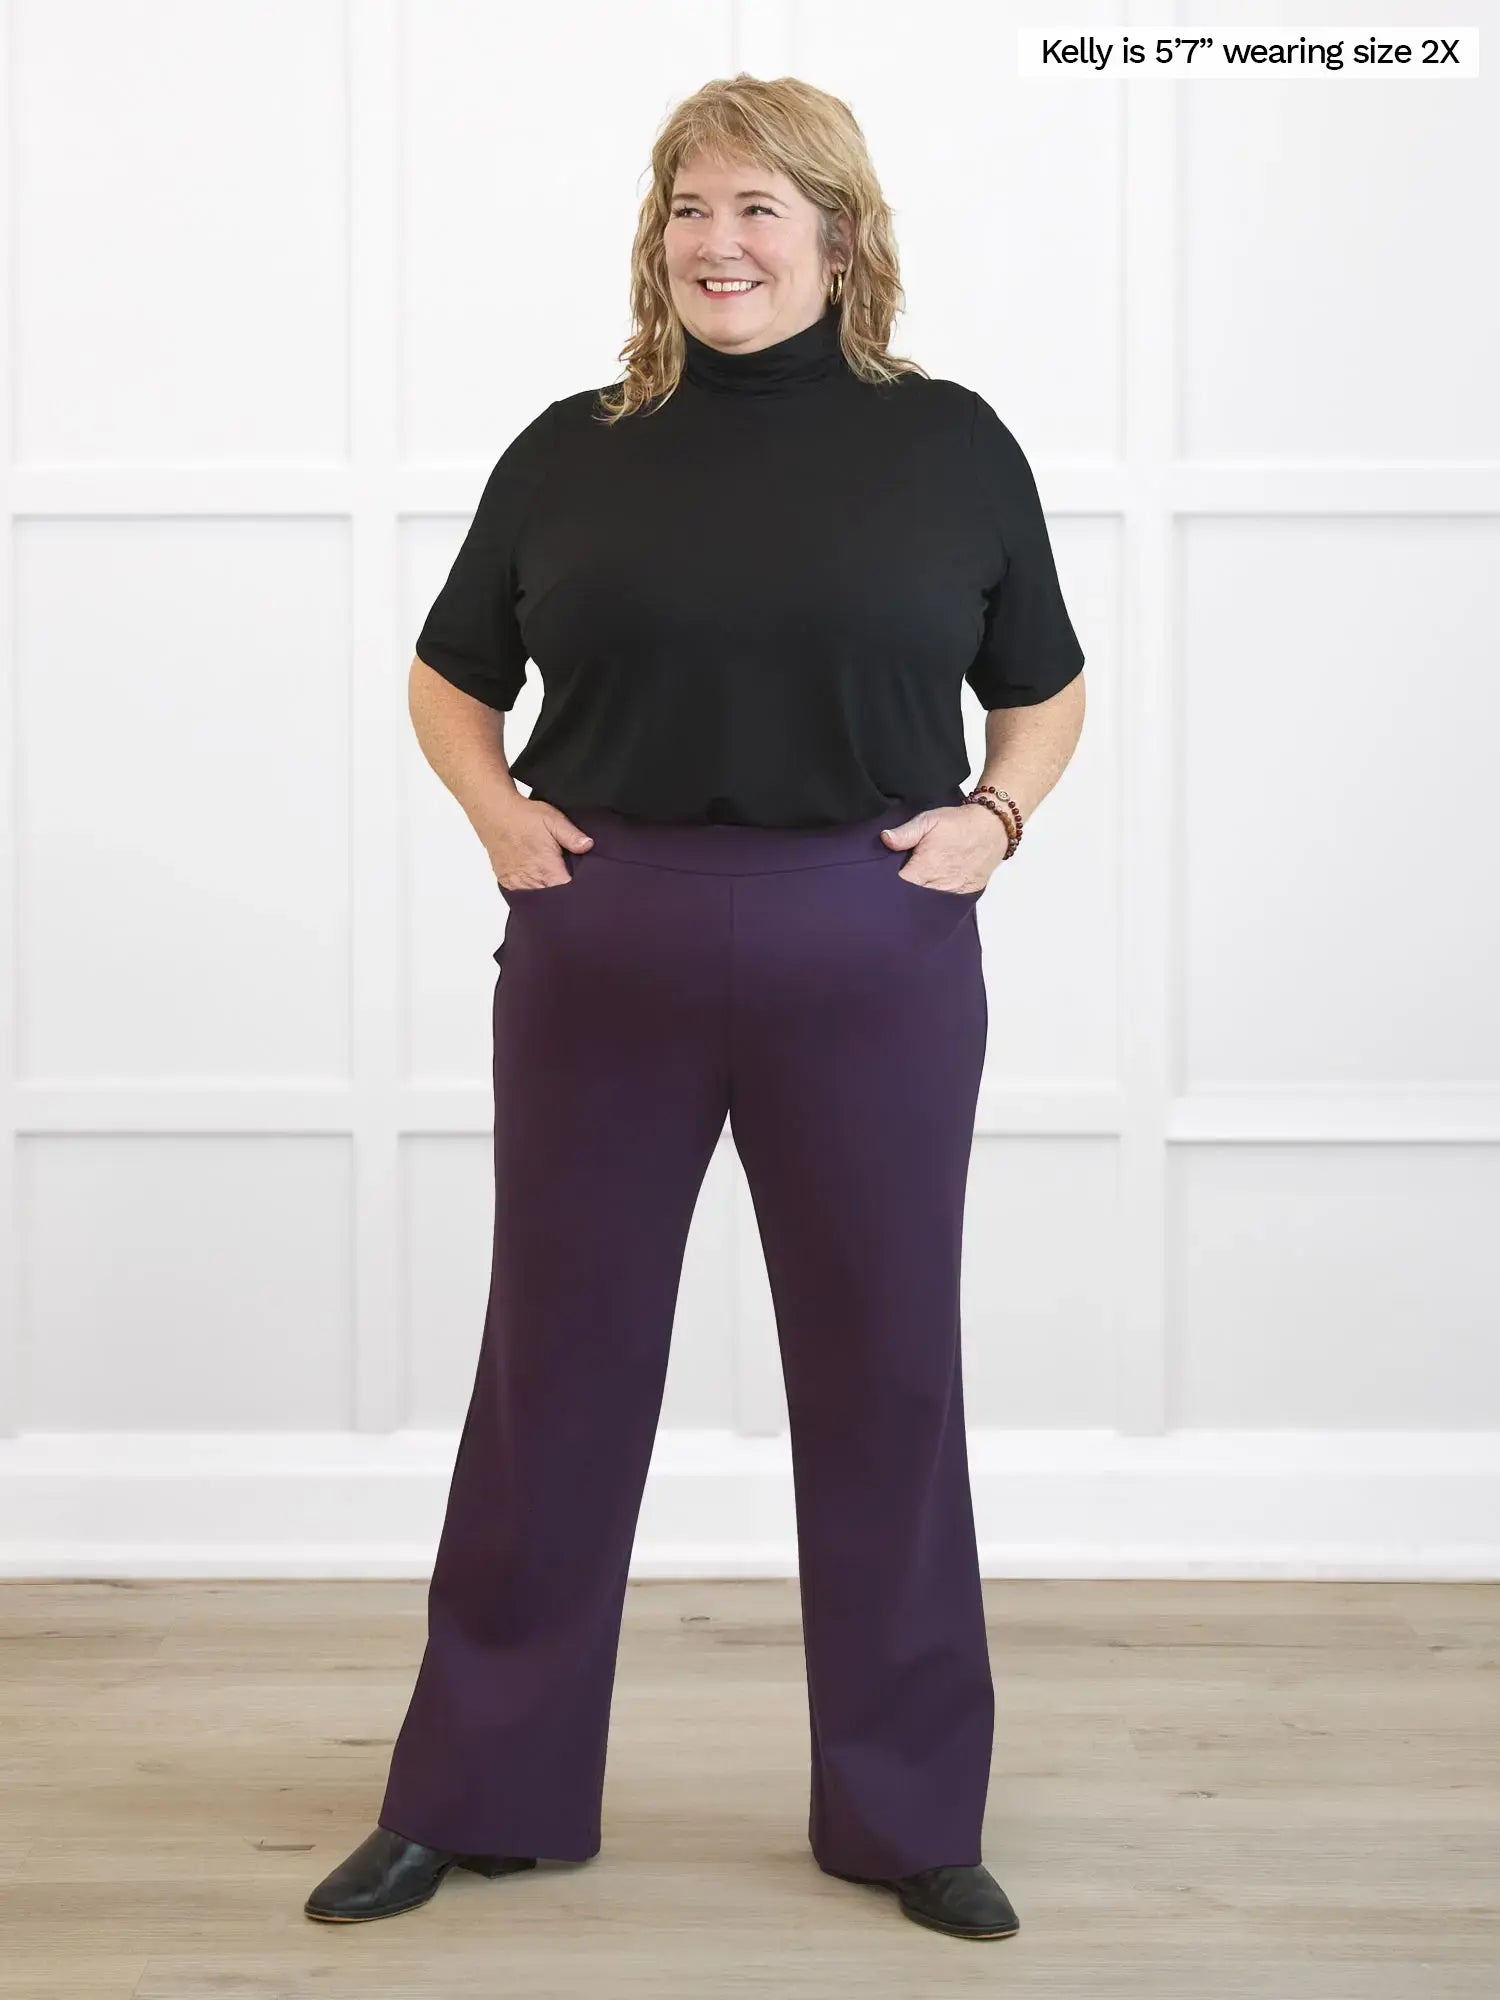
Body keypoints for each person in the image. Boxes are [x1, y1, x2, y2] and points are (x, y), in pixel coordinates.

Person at [305, 73, 1084, 1945]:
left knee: (887, 1372)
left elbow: (1043, 691)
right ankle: (477, 1794)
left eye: (757, 210)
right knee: (552, 1373)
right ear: (657, 240)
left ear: (838, 234)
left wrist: (994, 818)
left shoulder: (956, 446)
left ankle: (910, 1818)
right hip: (608, 937)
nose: (719, 245)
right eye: (690, 209)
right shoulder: (572, 447)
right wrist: (503, 820)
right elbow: (446, 676)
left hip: (869, 941)